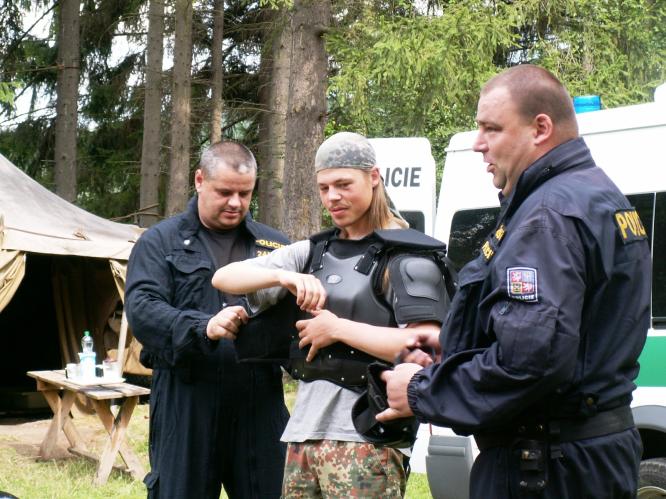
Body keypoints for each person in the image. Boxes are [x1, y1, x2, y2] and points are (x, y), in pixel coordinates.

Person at [377, 64, 651, 498]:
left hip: (546, 466)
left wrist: (419, 390)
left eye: (491, 128)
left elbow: (530, 360)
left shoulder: (547, 215)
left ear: (540, 128)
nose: (477, 144)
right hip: (580, 457)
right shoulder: (597, 194)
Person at [212, 131, 449, 498]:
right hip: (303, 434)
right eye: (324, 188)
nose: (332, 197)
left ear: (373, 177)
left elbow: (427, 347)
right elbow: (224, 277)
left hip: (367, 439)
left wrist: (337, 328)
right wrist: (282, 275)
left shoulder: (406, 255)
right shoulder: (314, 251)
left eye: (343, 184)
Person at [124, 141, 290, 499]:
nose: (236, 203)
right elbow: (143, 309)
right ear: (199, 180)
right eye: (225, 191)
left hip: (260, 400)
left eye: (245, 194)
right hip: (187, 398)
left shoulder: (274, 247)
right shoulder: (159, 243)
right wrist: (204, 327)